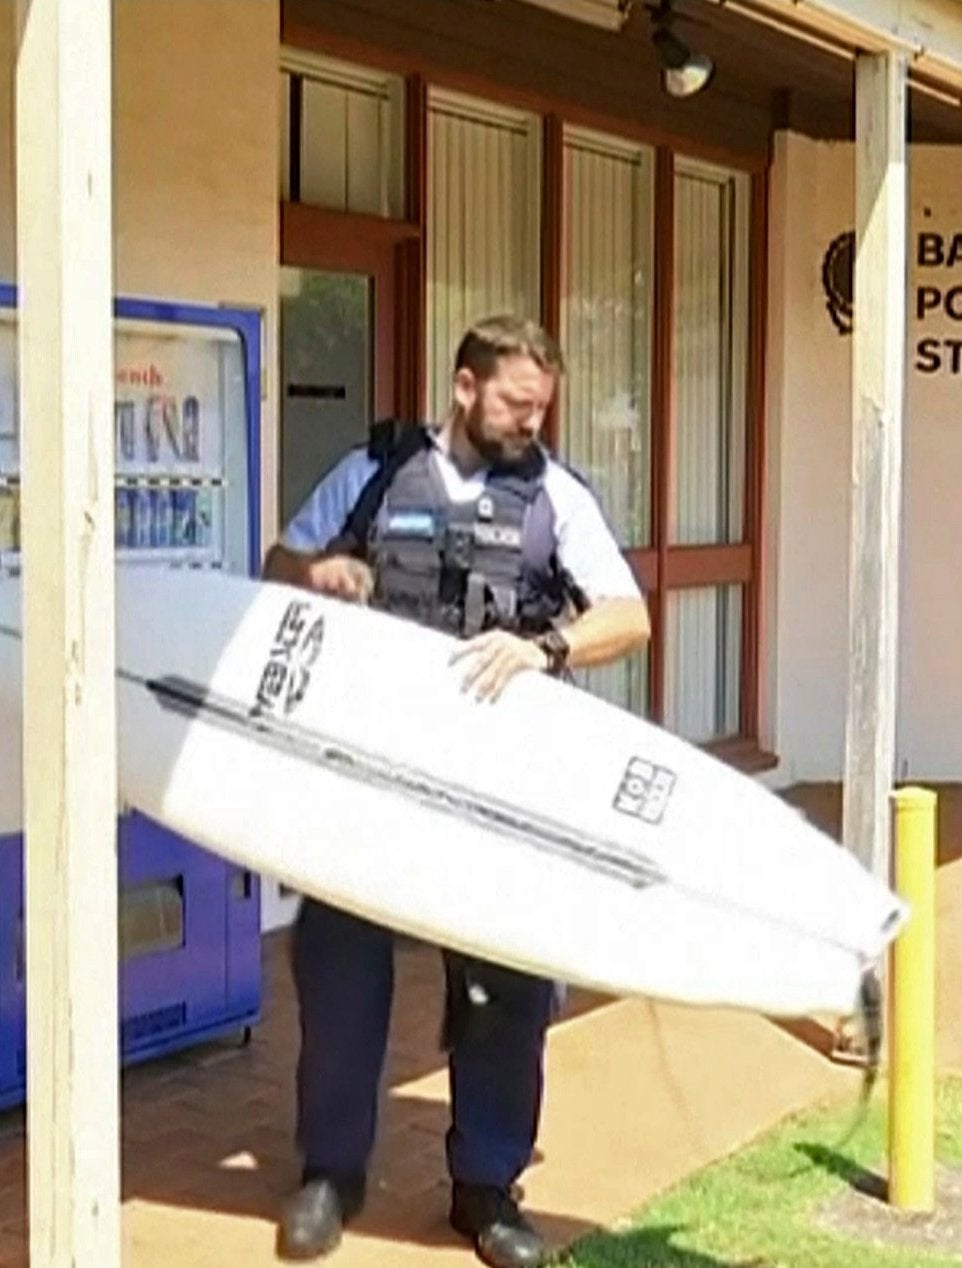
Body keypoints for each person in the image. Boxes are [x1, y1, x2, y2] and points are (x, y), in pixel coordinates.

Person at [264, 315, 651, 1268]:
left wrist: (544, 646)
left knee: (503, 992)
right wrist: (322, 573)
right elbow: (277, 566)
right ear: (465, 387)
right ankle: (330, 1176)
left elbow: (629, 616)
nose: (532, 423)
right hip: (368, 780)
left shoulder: (557, 496)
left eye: (542, 408)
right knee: (341, 978)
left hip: (496, 792)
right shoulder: (374, 471)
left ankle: (487, 1189)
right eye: (518, 403)